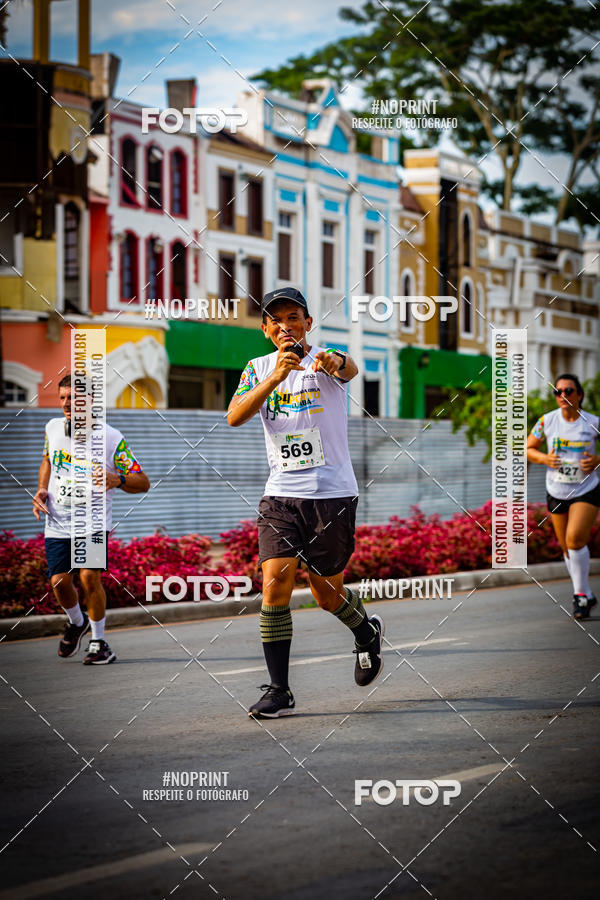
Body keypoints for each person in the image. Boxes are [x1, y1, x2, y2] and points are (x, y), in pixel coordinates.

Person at [227, 287, 384, 718]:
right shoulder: (258, 368)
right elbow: (235, 415)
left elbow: (348, 368)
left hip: (331, 494)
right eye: (275, 320)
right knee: (275, 582)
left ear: (307, 323)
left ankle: (366, 633)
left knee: (326, 594)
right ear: (265, 330)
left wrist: (334, 362)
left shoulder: (325, 359)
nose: (285, 326)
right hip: (280, 494)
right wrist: (274, 378)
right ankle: (280, 690)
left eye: (293, 317)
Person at [32, 374, 150, 663]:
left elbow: (143, 482)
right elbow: (48, 459)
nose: (66, 404)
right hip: (58, 519)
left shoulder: (111, 437)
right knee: (59, 582)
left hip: (94, 520)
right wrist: (42, 489)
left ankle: (99, 642)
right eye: (62, 398)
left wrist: (117, 479)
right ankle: (76, 622)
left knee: (88, 576)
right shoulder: (53, 428)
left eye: (73, 397)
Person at [526, 373, 599, 619]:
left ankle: (579, 596)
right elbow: (528, 449)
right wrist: (544, 458)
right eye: (558, 392)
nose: (563, 395)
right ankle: (587, 594)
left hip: (586, 489)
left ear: (579, 395)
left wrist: (598, 459)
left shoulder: (592, 421)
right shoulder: (546, 421)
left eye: (569, 391)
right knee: (567, 548)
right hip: (556, 490)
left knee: (575, 539)